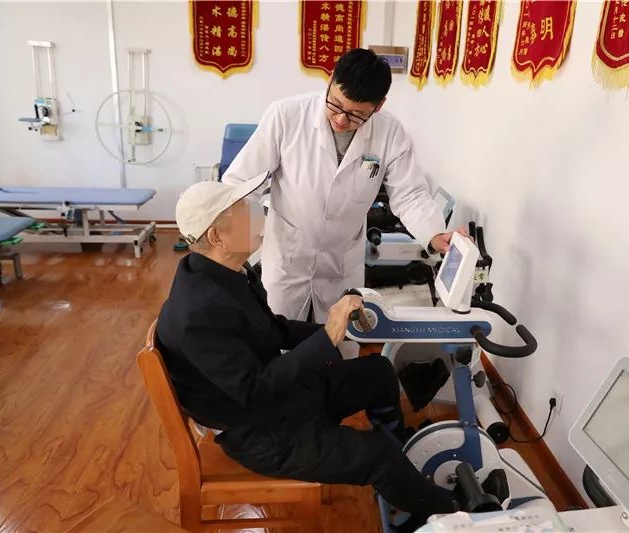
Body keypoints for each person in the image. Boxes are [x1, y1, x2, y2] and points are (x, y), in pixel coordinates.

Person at [156, 177, 456, 531]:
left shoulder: (226, 273)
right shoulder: (199, 310)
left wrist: (341, 330)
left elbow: (274, 329)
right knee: (378, 453)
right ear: (217, 236)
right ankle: (450, 513)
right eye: (242, 211)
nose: (256, 214)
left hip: (280, 402)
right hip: (260, 434)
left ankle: (403, 471)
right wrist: (327, 337)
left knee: (378, 371)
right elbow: (255, 391)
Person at [222, 48, 464, 336]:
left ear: (378, 106)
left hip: (340, 269)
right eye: (335, 105)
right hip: (288, 263)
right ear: (330, 81)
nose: (340, 120)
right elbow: (241, 183)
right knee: (278, 345)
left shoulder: (390, 134)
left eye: (355, 115)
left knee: (337, 347)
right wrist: (236, 242)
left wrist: (435, 233)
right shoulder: (286, 115)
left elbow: (409, 195)